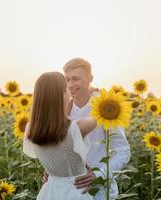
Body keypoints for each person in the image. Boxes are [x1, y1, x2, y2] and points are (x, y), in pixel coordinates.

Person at [23, 72, 97, 200]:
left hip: (50, 191)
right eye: (66, 87)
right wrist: (95, 95)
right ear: (62, 94)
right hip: (75, 192)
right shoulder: (78, 128)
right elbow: (100, 114)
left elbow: (59, 119)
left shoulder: (31, 128)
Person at [64, 58, 131, 199]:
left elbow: (123, 151)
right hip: (70, 191)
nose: (70, 84)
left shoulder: (106, 108)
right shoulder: (64, 110)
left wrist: (98, 174)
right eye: (67, 79)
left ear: (90, 79)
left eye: (75, 79)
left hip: (101, 191)